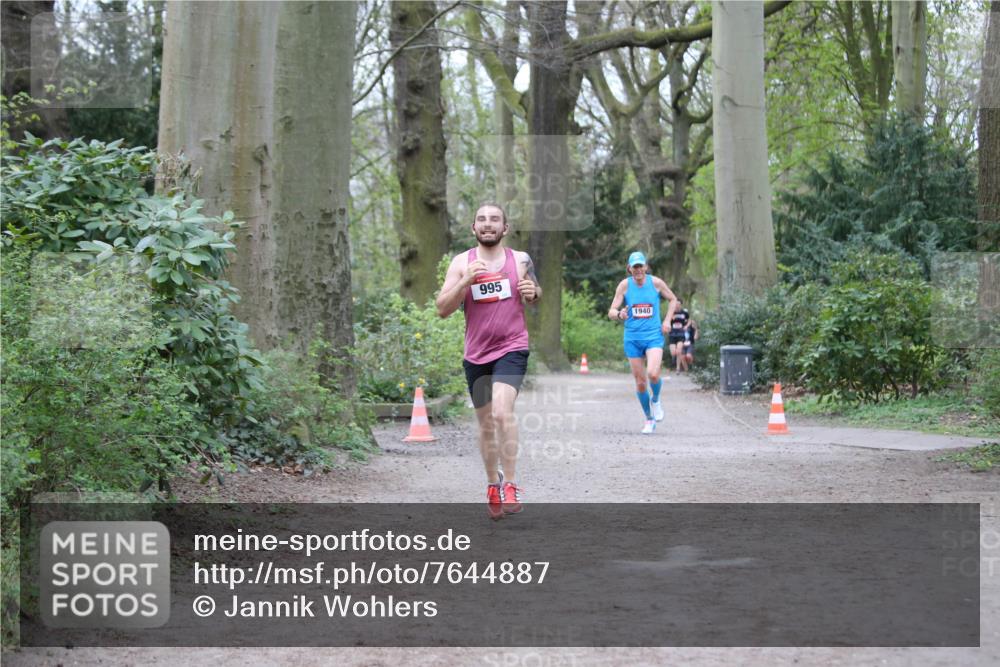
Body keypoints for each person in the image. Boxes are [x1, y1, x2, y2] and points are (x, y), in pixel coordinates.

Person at [436, 203, 541, 520]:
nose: (488, 224)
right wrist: (465, 281)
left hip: (512, 346)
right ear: (473, 228)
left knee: (500, 411)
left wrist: (533, 291)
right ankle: (491, 484)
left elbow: (535, 291)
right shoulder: (461, 263)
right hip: (476, 354)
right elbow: (442, 308)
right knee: (485, 425)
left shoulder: (520, 259)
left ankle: (510, 484)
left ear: (505, 228)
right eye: (481, 219)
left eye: (495, 219)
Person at [607, 252, 678, 434]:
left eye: (641, 266)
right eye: (634, 267)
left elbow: (673, 299)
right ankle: (649, 419)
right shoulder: (624, 285)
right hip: (632, 338)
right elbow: (612, 311)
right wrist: (619, 314)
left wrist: (667, 320)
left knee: (653, 374)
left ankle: (656, 400)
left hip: (653, 336)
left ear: (646, 267)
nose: (638, 270)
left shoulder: (656, 283)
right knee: (640, 382)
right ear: (629, 269)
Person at [668, 299, 691, 373]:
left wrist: (686, 326)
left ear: (681, 305)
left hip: (681, 333)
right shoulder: (671, 313)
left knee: (679, 351)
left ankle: (678, 368)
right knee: (673, 353)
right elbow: (667, 321)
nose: (677, 305)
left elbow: (689, 320)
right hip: (672, 334)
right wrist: (669, 323)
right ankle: (674, 361)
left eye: (678, 304)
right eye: (676, 304)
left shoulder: (684, 313)